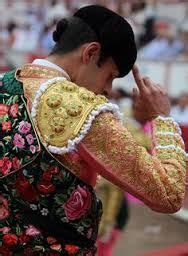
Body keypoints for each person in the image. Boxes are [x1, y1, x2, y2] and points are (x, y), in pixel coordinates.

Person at [0, 5, 186, 256]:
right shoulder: (82, 109)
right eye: (109, 75)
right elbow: (169, 194)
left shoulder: (3, 84)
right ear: (91, 52)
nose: (107, 89)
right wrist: (162, 118)